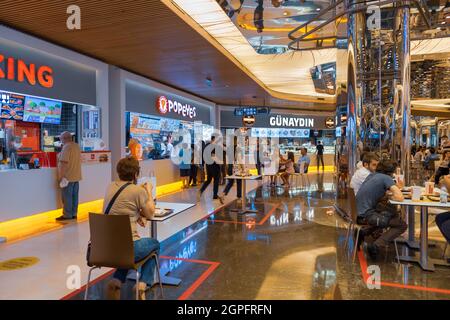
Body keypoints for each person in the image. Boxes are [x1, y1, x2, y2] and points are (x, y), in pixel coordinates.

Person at [104, 157, 158, 300]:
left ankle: (116, 281)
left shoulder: (110, 186)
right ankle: (142, 285)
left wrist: (139, 214)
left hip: (105, 249)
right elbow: (151, 212)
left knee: (125, 252)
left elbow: (125, 208)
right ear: (135, 174)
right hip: (128, 249)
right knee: (155, 244)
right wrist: (148, 191)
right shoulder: (137, 191)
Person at [355, 160, 407, 259]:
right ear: (391, 172)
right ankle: (376, 246)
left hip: (358, 212)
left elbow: (379, 191)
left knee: (392, 213)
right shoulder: (386, 178)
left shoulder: (372, 175)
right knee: (401, 225)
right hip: (367, 215)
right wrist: (396, 190)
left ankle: (364, 232)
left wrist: (391, 192)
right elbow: (400, 198)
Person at [56, 132, 82, 221]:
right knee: (74, 197)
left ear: (64, 138)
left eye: (61, 139)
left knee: (67, 197)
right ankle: (74, 213)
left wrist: (61, 177)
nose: (60, 141)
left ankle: (67, 215)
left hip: (68, 177)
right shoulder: (76, 146)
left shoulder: (67, 147)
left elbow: (63, 163)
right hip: (76, 176)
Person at [198, 136, 224, 204]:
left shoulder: (207, 145)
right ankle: (215, 195)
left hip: (208, 165)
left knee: (209, 180)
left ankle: (201, 190)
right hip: (214, 165)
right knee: (216, 180)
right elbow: (213, 156)